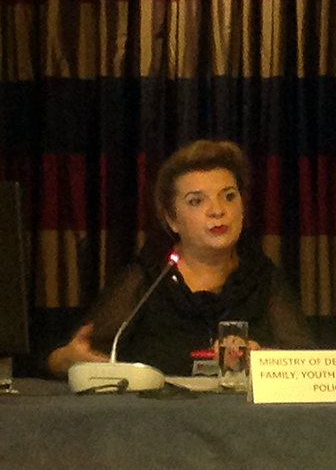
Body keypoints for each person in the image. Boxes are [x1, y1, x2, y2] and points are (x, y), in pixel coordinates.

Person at [47, 140, 313, 376]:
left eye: (229, 196)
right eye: (197, 201)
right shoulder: (148, 280)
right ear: (171, 219)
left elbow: (309, 366)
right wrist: (65, 360)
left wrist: (265, 360)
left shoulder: (263, 278)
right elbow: (73, 354)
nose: (217, 210)